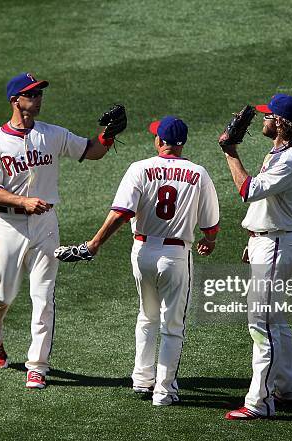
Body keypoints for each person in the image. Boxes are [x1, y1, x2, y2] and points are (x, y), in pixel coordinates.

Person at [0, 72, 126, 389]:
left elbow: (90, 150)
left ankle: (38, 366)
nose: (38, 98)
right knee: (4, 292)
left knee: (43, 296)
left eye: (40, 93)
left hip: (46, 226)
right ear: (15, 100)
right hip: (8, 225)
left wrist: (108, 135)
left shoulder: (52, 134)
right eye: (32, 94)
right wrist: (23, 201)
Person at [59, 116, 220, 406]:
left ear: (160, 141)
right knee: (172, 325)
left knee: (147, 316)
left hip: (143, 253)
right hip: (175, 256)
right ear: (183, 143)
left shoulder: (139, 168)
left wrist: (94, 244)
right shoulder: (199, 173)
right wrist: (208, 242)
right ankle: (164, 390)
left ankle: (142, 379)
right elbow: (211, 226)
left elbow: (121, 213)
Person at [220, 94, 292, 420]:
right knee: (274, 321)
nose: (262, 120)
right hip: (267, 243)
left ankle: (259, 402)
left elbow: (249, 191)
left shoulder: (290, 160)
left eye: (267, 116)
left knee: (261, 324)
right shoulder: (278, 153)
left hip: (276, 246)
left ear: (281, 123)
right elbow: (265, 204)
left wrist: (230, 153)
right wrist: (253, 239)